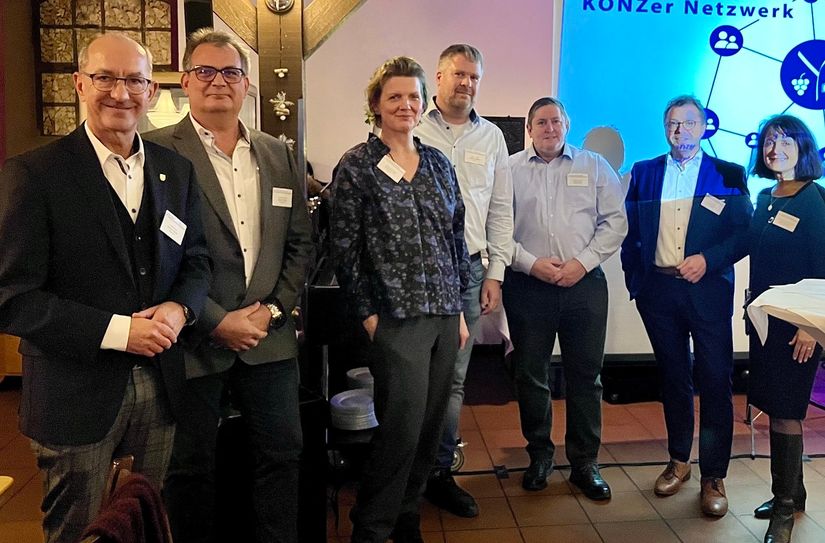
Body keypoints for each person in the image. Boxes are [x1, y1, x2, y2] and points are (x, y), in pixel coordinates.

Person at [0, 33, 211, 543]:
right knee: (80, 531)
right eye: (105, 78)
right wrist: (120, 332)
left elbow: (198, 261)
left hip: (161, 386)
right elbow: (12, 299)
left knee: (143, 521)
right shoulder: (35, 174)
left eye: (135, 80)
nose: (121, 93)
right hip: (75, 393)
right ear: (79, 84)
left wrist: (180, 310)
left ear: (152, 93)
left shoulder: (174, 171)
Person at [144, 28, 313, 543]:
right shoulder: (154, 153)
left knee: (282, 454)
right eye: (205, 71)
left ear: (246, 86)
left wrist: (272, 312)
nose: (219, 82)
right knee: (189, 468)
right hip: (194, 340)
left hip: (270, 339)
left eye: (231, 72)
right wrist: (217, 321)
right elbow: (152, 256)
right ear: (186, 82)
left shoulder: (278, 154)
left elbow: (301, 244)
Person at [330, 56, 470, 543]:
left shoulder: (436, 163)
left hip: (444, 315)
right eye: (395, 97)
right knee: (400, 431)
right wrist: (368, 314)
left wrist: (458, 308)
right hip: (395, 317)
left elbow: (455, 237)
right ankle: (370, 526)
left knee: (430, 431)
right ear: (376, 104)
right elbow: (344, 248)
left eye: (413, 96)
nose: (406, 105)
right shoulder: (357, 166)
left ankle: (407, 518)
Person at [620, 95, 753, 517]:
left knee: (715, 380)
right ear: (665, 128)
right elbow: (630, 232)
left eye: (689, 123)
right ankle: (679, 461)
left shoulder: (728, 174)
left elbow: (744, 234)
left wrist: (708, 261)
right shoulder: (644, 172)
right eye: (674, 124)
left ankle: (714, 474)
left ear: (704, 126)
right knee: (673, 378)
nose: (681, 131)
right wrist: (636, 283)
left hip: (708, 291)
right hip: (658, 293)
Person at [504, 97, 627, 499]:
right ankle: (539, 455)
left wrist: (582, 262)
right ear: (529, 128)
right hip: (528, 285)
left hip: (584, 285)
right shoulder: (508, 169)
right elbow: (499, 228)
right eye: (541, 122)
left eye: (556, 121)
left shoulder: (594, 166)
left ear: (567, 124)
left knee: (586, 377)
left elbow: (615, 223)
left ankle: (584, 463)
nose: (549, 128)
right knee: (531, 374)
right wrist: (530, 263)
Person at [414, 43, 513, 518]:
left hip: (470, 270)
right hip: (415, 272)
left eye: (474, 77)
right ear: (437, 78)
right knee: (411, 375)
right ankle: (405, 472)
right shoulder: (411, 125)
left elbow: (499, 211)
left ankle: (438, 473)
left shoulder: (492, 138)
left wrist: (494, 272)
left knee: (454, 378)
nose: (466, 84)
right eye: (458, 75)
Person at [747, 115, 825, 543]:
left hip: (800, 328)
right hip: (766, 323)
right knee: (773, 405)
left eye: (784, 141)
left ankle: (782, 507)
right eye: (768, 142)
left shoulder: (816, 200)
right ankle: (795, 493)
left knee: (786, 412)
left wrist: (812, 327)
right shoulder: (766, 197)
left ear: (803, 147)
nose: (775, 149)